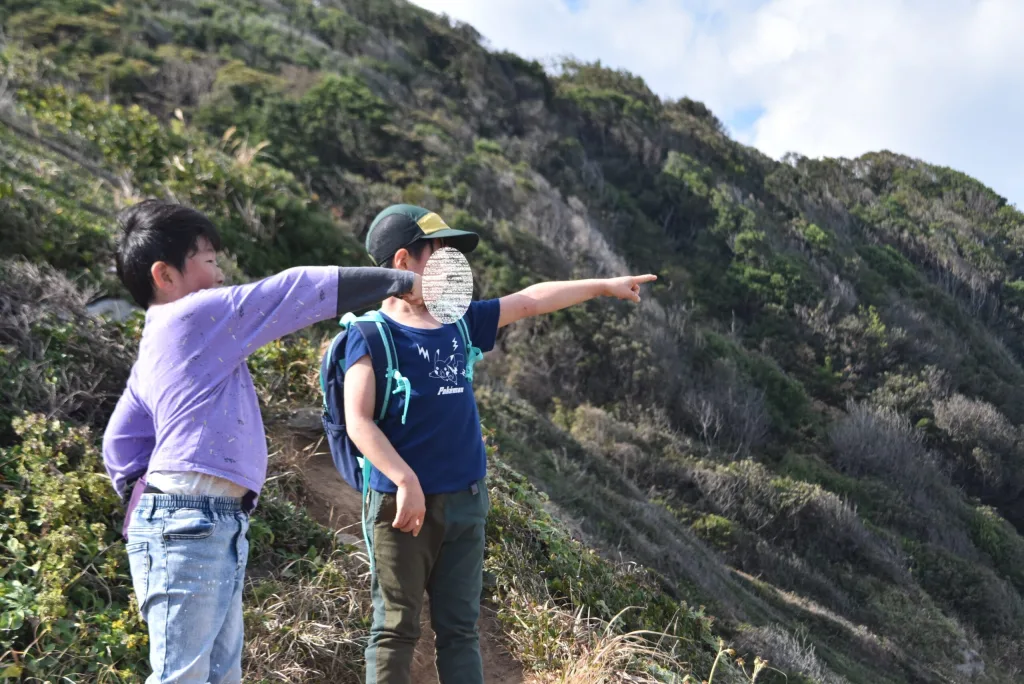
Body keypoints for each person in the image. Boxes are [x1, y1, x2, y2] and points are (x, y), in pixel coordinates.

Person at [101, 199, 421, 684]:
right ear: (164, 275)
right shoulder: (194, 315)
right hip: (192, 519)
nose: (219, 274)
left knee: (212, 676)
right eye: (209, 260)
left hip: (204, 520)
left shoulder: (155, 341)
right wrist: (399, 282)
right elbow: (295, 290)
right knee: (185, 677)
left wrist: (146, 502)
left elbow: (120, 443)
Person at [344, 204, 656, 684]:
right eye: (439, 254)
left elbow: (530, 300)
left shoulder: (460, 322)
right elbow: (358, 420)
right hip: (400, 508)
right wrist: (405, 480)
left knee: (460, 630)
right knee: (395, 630)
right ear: (403, 261)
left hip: (465, 502)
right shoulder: (371, 335)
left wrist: (602, 286)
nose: (450, 266)